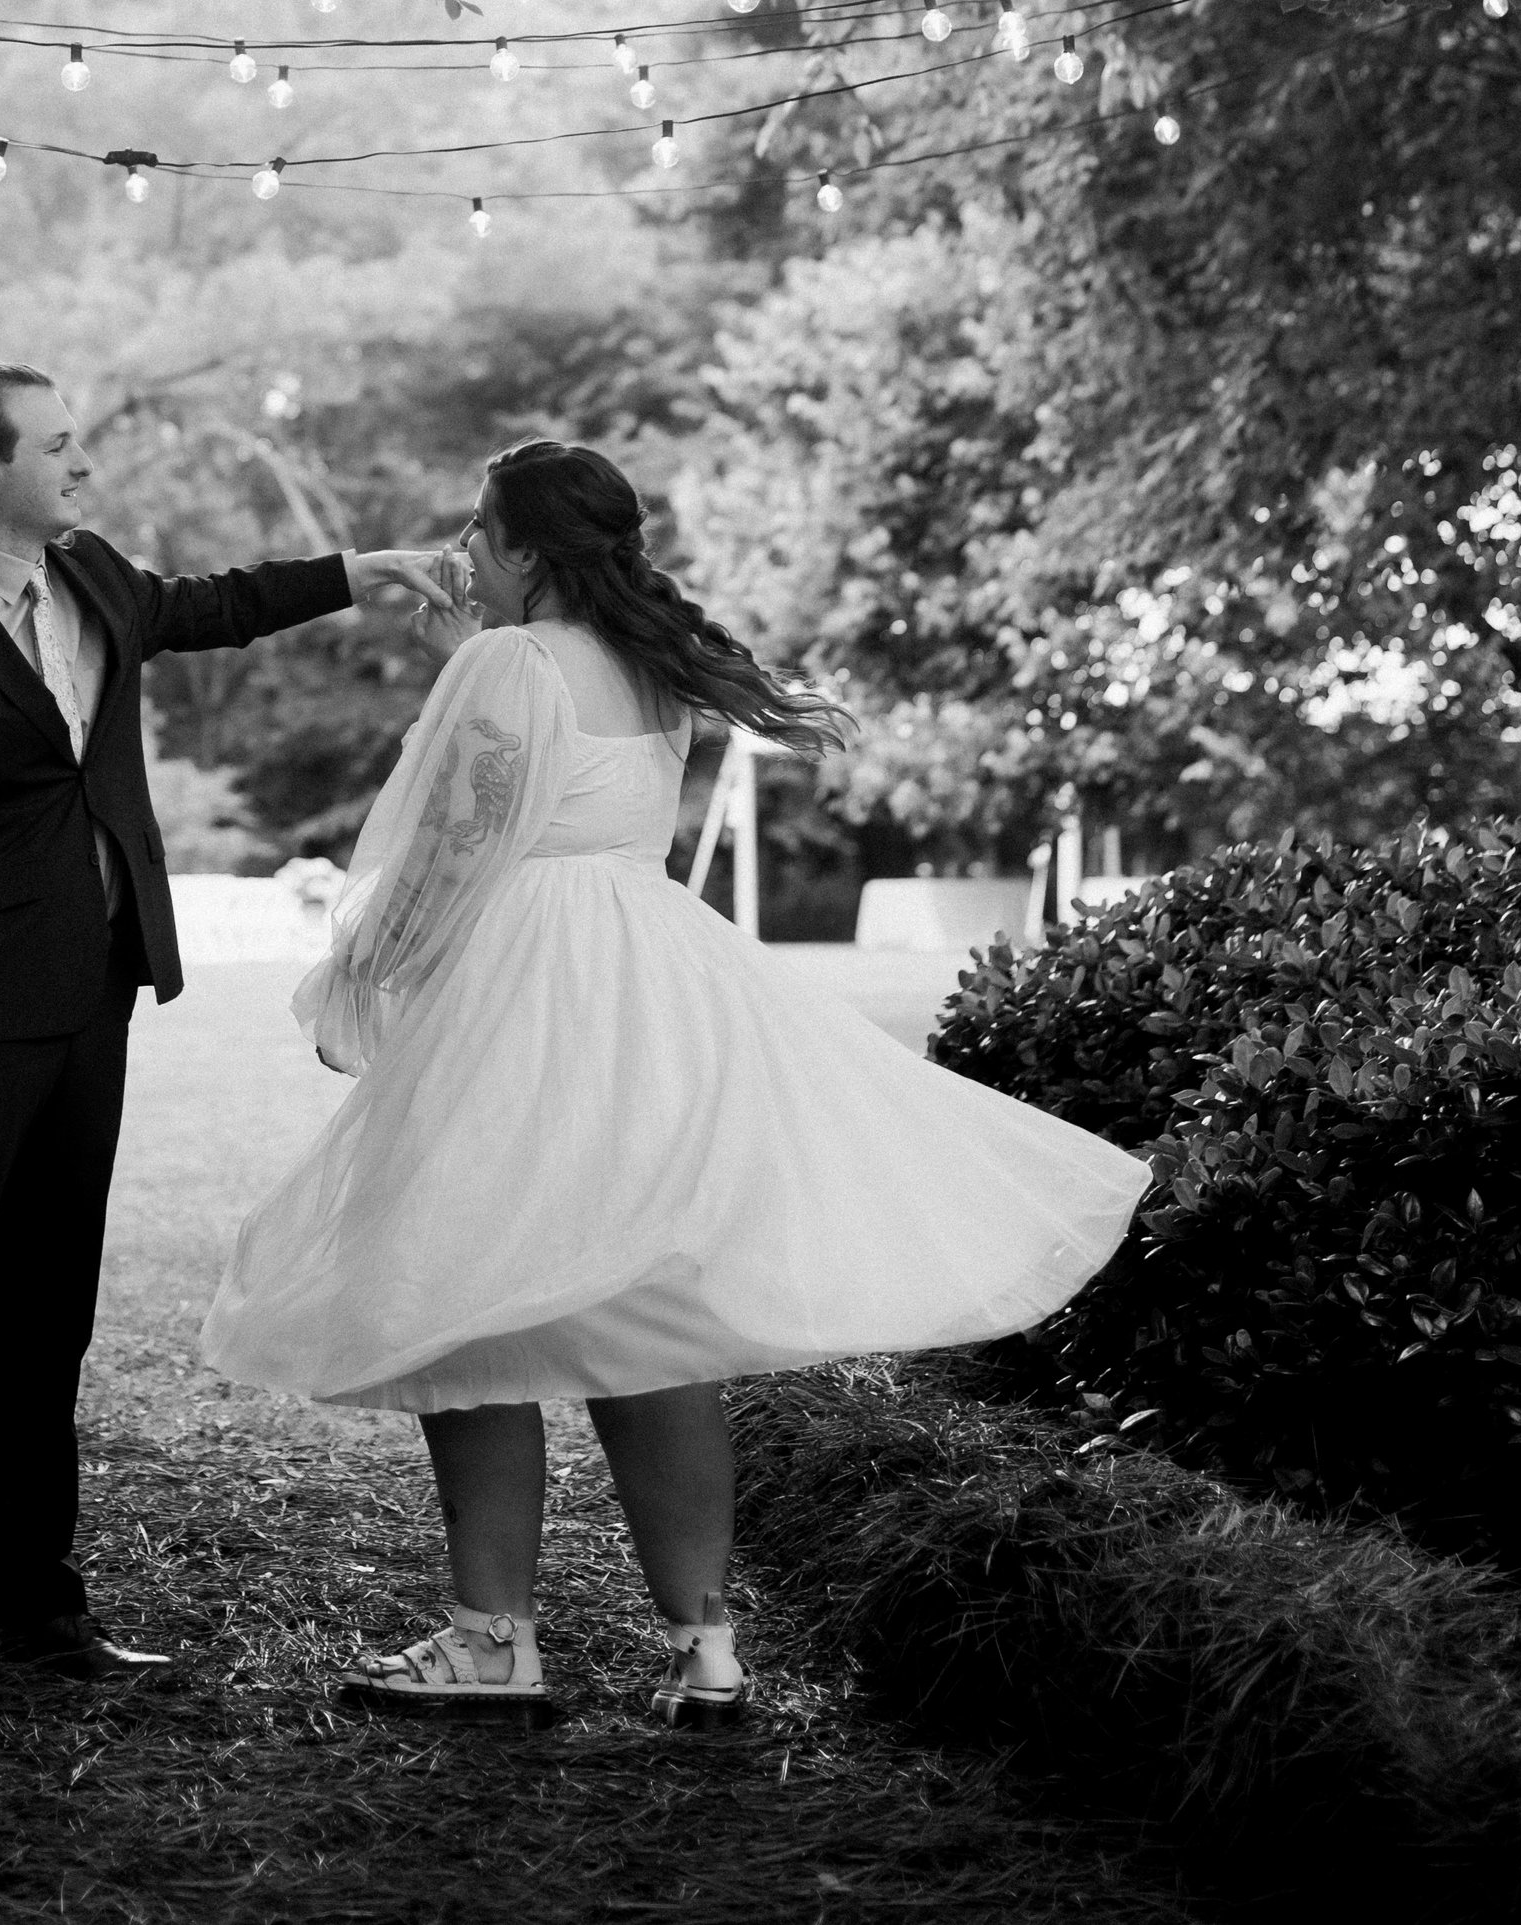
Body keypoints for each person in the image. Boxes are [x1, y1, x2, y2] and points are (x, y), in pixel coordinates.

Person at [201, 439, 1151, 1732]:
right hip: (641, 994)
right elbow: (560, 791)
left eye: (481, 531)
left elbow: (458, 849)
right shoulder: (648, 667)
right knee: (650, 1326)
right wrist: (468, 663)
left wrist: (357, 981)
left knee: (462, 1299)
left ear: (527, 551)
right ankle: (708, 1649)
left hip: (520, 1001)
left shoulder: (509, 662)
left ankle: (493, 1640)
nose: (463, 551)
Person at [0, 361, 447, 1703]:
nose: (83, 464)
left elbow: (213, 606)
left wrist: (366, 564)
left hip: (95, 1002)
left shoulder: (94, 577)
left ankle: (40, 1611)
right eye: (60, 445)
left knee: (48, 1320)